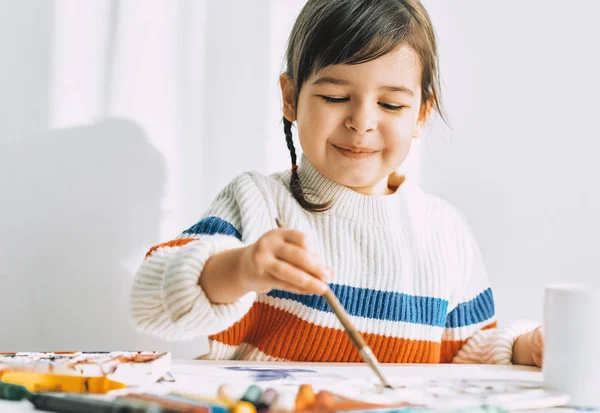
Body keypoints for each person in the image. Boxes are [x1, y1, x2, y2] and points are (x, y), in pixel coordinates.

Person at [130, 0, 544, 366]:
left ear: (421, 114)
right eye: (334, 97)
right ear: (290, 97)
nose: (361, 122)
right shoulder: (258, 202)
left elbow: (466, 352)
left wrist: (523, 348)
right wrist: (239, 269)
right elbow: (150, 303)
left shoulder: (446, 231)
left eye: (391, 104)